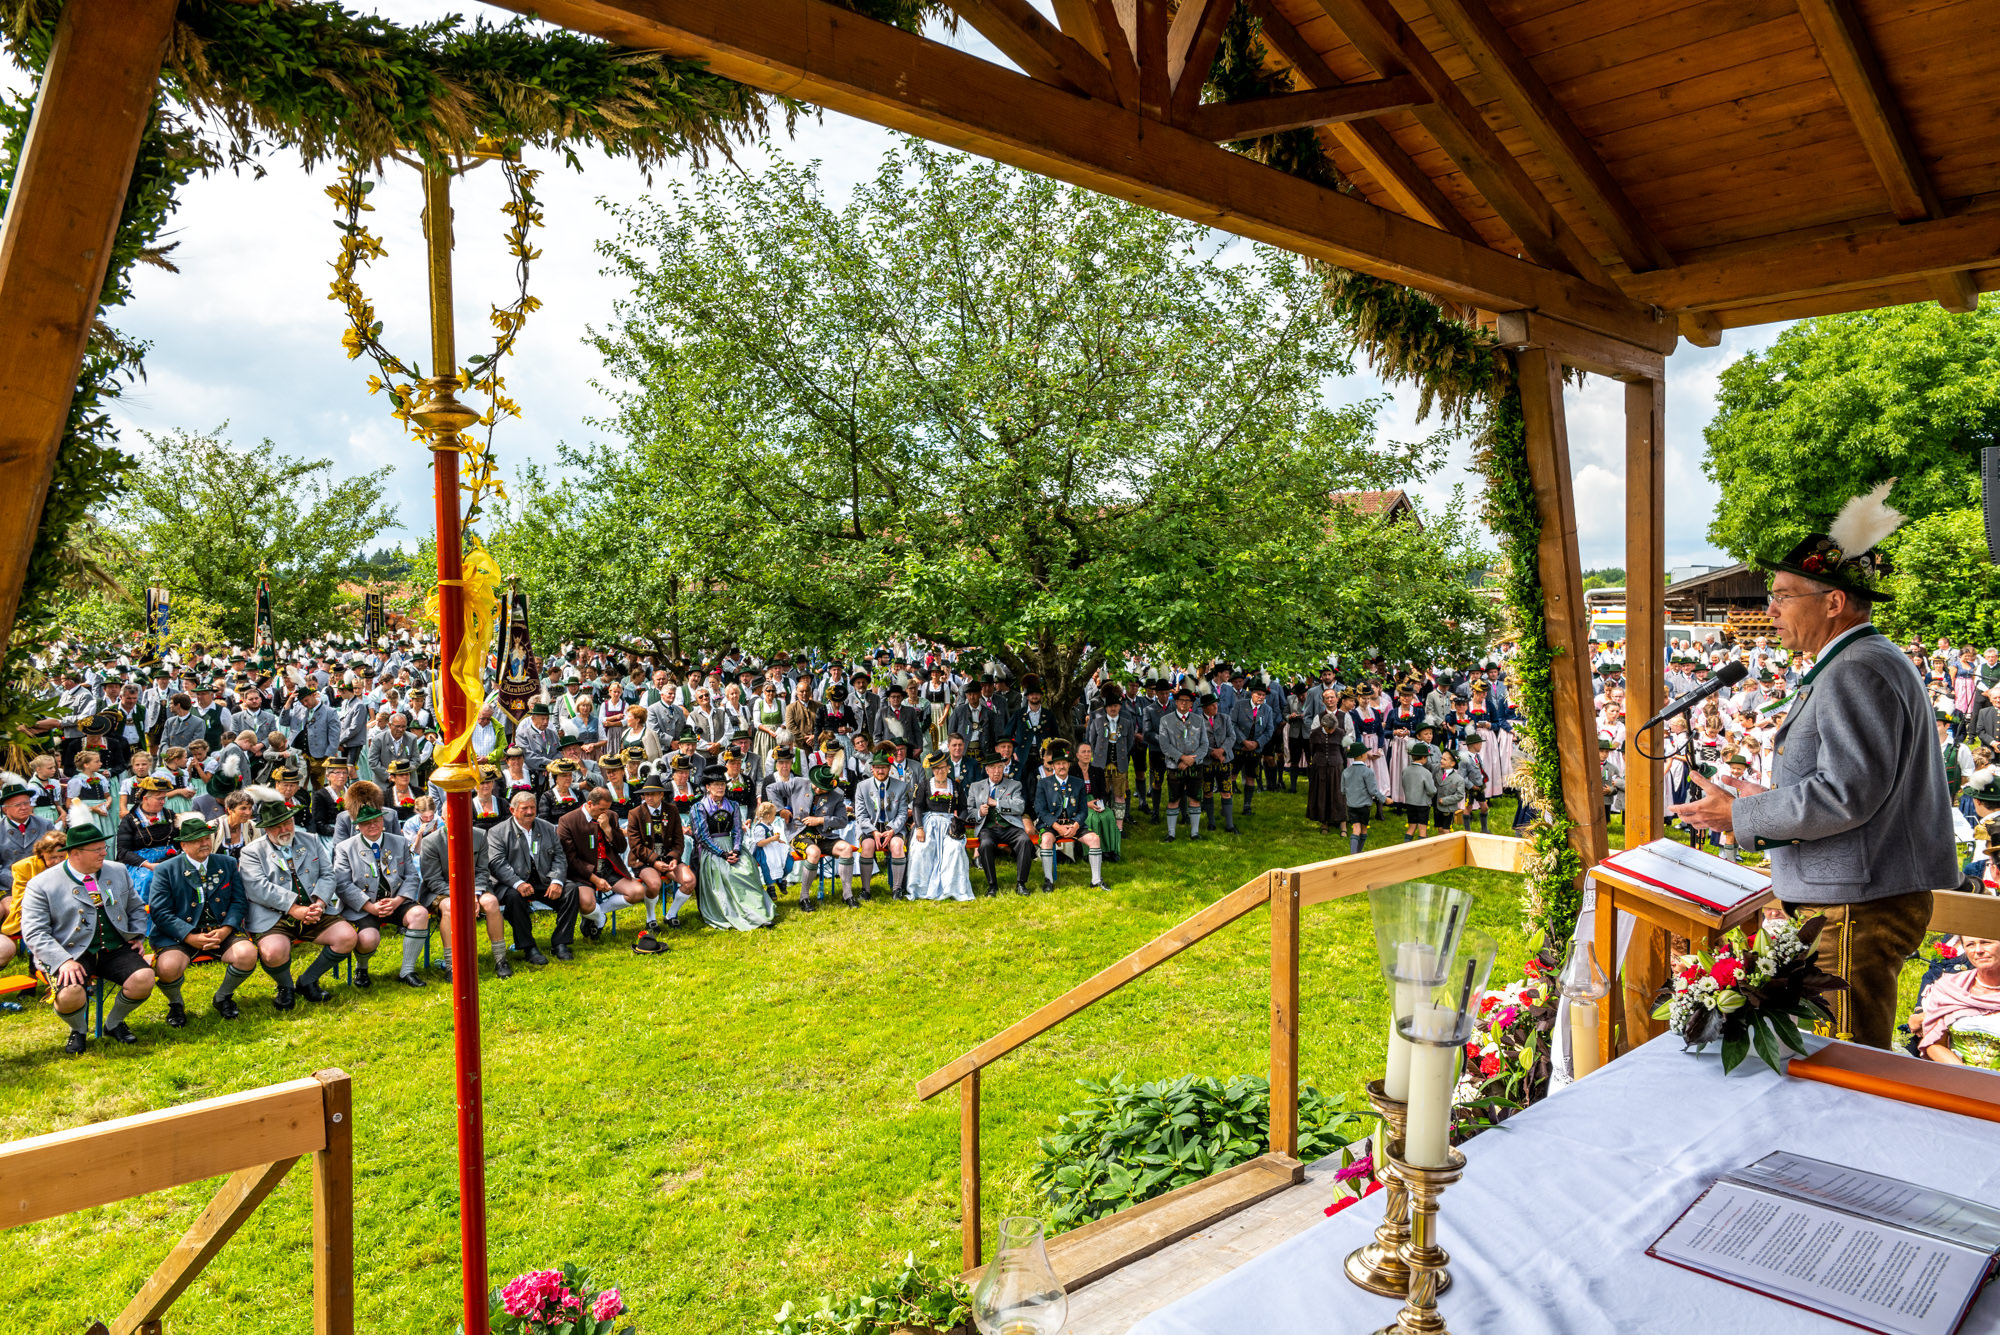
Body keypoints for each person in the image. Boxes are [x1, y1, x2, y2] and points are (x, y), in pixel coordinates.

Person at [1673, 486, 1956, 1049]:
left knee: (1844, 1064)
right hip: (1852, 896)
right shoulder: (1857, 661)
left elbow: (1847, 793)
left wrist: (1742, 814)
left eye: (1782, 596)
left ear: (1834, 603)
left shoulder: (1855, 668)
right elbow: (1857, 784)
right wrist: (1762, 796)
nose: (1770, 611)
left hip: (1854, 903)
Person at [22, 802, 158, 1052]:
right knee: (69, 995)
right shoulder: (41, 884)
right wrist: (62, 961)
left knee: (144, 978)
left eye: (103, 847)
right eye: (97, 850)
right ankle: (78, 1029)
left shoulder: (117, 871)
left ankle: (114, 1023)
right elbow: (34, 932)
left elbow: (137, 908)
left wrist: (138, 936)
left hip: (114, 947)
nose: (104, 853)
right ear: (75, 853)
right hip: (70, 951)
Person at [237, 787, 352, 1007]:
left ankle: (307, 981)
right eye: (276, 826)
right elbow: (257, 888)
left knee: (347, 937)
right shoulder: (251, 852)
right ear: (266, 828)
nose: (284, 829)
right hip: (273, 917)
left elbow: (328, 874)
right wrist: (294, 909)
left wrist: (320, 903)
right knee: (273, 952)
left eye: (287, 822)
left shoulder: (311, 840)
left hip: (314, 910)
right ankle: (285, 987)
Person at [145, 812, 257, 1025]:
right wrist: (189, 936)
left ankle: (223, 997)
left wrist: (226, 929)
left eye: (206, 838)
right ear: (183, 845)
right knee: (167, 967)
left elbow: (239, 901)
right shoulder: (166, 870)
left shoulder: (227, 863)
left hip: (221, 930)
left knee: (247, 954)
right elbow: (160, 912)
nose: (204, 843)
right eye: (197, 840)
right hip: (179, 936)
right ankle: (176, 1004)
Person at [333, 798, 428, 988]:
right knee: (368, 939)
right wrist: (370, 907)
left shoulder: (399, 842)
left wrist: (397, 901)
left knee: (420, 914)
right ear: (358, 826)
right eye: (366, 823)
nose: (373, 826)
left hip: (395, 900)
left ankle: (407, 970)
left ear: (383, 821)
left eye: (376, 821)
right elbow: (342, 884)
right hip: (363, 906)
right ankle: (362, 968)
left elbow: (411, 876)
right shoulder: (345, 848)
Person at [487, 790, 576, 964]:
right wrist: (518, 883)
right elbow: (497, 863)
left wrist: (557, 881)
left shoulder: (548, 827)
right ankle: (529, 947)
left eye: (532, 807)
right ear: (513, 811)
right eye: (524, 808)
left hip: (543, 879)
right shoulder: (497, 832)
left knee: (571, 890)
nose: (529, 812)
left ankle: (561, 942)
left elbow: (559, 856)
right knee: (514, 898)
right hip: (511, 883)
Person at [422, 802, 508, 977]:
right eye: (452, 815)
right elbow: (433, 880)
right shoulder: (430, 841)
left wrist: (474, 894)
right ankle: (451, 965)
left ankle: (501, 959)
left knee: (491, 902)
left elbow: (483, 871)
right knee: (449, 907)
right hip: (442, 890)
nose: (459, 819)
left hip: (475, 887)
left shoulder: (480, 835)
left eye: (464, 814)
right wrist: (462, 897)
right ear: (443, 817)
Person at [689, 772, 776, 929]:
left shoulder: (733, 805)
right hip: (711, 850)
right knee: (727, 872)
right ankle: (734, 912)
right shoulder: (699, 807)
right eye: (716, 784)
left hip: (731, 845)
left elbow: (737, 830)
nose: (720, 787)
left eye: (722, 784)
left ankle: (757, 912)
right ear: (708, 787)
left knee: (748, 869)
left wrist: (736, 850)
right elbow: (702, 836)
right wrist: (722, 854)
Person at [1034, 740, 1107, 891]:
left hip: (1074, 824)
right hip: (1052, 825)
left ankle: (1096, 880)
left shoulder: (1078, 783)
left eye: (1064, 763)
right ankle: (1048, 881)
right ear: (1053, 766)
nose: (1061, 766)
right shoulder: (1044, 783)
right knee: (1046, 840)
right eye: (1058, 764)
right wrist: (1057, 827)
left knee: (1094, 839)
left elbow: (1083, 810)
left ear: (1068, 765)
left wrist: (1075, 825)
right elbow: (1041, 810)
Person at [1916, 937, 2000, 1068]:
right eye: (1970, 944)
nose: (1978, 950)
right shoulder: (1949, 987)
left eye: (1986, 942)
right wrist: (1967, 1074)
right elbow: (1934, 1043)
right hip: (1960, 1076)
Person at [907, 748, 973, 902]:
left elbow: (963, 808)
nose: (940, 771)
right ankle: (920, 888)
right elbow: (917, 806)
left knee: (955, 849)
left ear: (948, 767)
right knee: (921, 848)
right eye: (936, 768)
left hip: (950, 824)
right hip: (928, 823)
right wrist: (920, 828)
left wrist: (959, 823)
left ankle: (951, 887)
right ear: (932, 770)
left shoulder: (955, 786)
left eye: (942, 767)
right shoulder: (924, 785)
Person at [851, 746, 912, 900]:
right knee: (867, 846)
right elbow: (861, 815)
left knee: (897, 846)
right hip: (870, 826)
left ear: (889, 768)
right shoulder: (862, 786)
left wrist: (892, 830)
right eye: (877, 767)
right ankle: (865, 890)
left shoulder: (901, 786)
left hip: (892, 826)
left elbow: (902, 813)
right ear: (872, 769)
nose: (880, 771)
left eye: (884, 767)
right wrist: (873, 831)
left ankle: (897, 889)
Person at [1157, 685, 1208, 842]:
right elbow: (1164, 745)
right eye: (1181, 700)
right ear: (1176, 702)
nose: (1184, 703)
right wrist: (1181, 758)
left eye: (1187, 701)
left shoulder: (1199, 720)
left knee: (1195, 798)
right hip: (1175, 765)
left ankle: (1195, 832)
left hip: (1194, 765)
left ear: (1192, 703)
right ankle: (1171, 833)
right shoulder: (1165, 720)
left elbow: (1204, 744)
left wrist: (1192, 759)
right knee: (1174, 799)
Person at [1305, 712, 1349, 836]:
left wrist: (1342, 764)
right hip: (1320, 767)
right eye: (1329, 729)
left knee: (1338, 795)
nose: (1331, 731)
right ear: (1323, 726)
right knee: (1322, 795)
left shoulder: (1341, 733)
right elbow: (1311, 750)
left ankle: (1343, 826)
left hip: (1336, 767)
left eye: (1333, 728)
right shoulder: (1315, 733)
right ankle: (1324, 824)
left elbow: (1344, 751)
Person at [1400, 742, 1436, 843]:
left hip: (1410, 802)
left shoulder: (1406, 770)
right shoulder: (1426, 773)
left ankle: (1406, 846)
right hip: (1423, 804)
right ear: (1424, 757)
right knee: (1422, 828)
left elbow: (1404, 785)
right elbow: (1431, 790)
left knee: (1411, 826)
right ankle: (1422, 849)